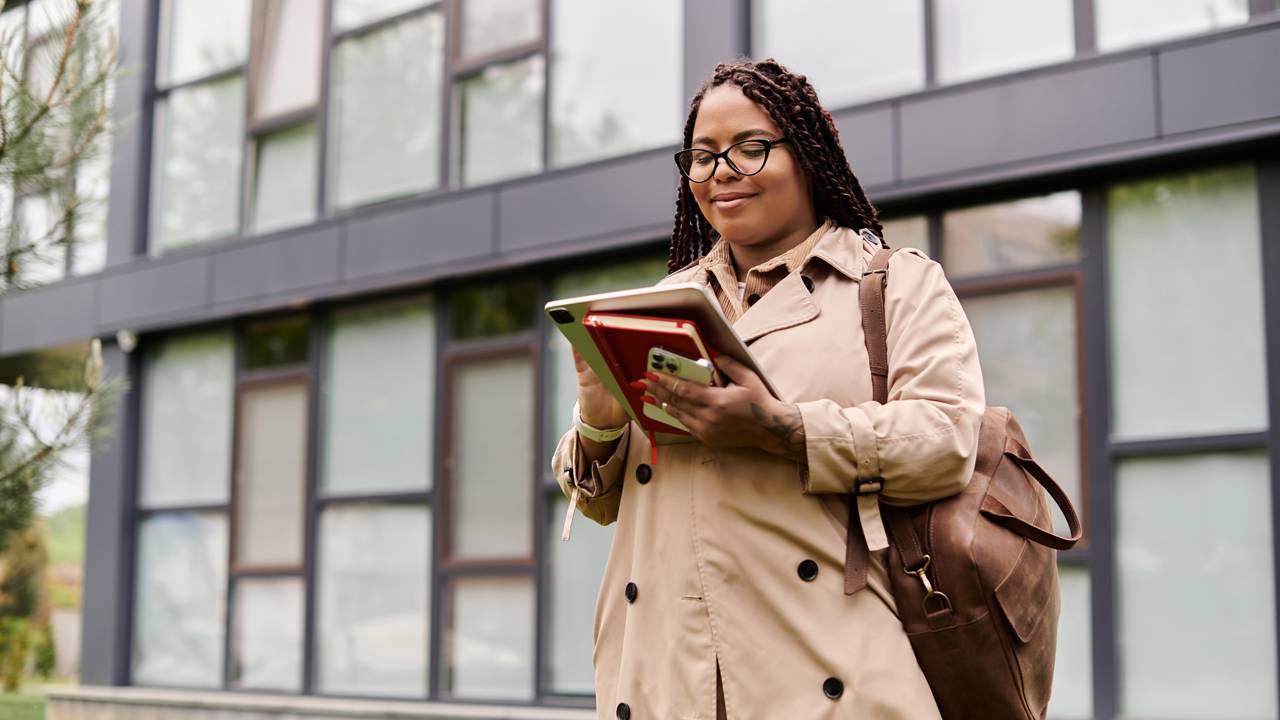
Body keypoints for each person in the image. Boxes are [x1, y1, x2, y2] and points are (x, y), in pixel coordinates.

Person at [552, 58, 986, 720]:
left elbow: (946, 441)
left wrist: (782, 430)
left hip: (828, 672)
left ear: (809, 156)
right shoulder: (661, 303)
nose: (721, 171)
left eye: (750, 148)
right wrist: (600, 420)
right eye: (702, 157)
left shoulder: (895, 285)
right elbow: (601, 504)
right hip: (665, 676)